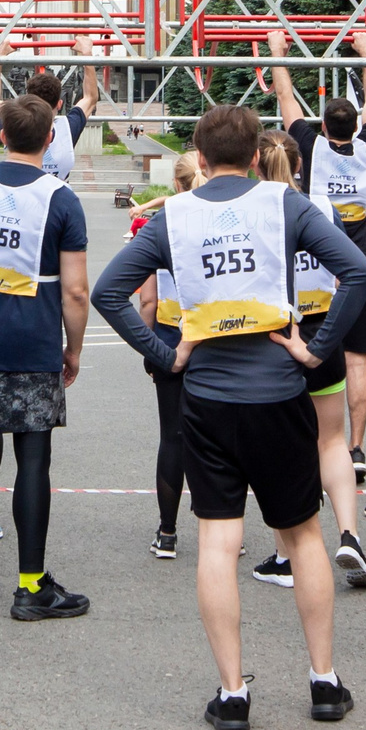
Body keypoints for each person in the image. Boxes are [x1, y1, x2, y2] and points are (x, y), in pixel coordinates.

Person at [91, 104, 366, 730]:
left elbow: (109, 293)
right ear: (255, 154)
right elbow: (357, 270)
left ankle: (232, 692)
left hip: (209, 397)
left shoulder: (175, 214)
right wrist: (318, 347)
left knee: (219, 541)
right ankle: (324, 682)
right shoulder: (284, 204)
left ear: (197, 150)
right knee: (302, 536)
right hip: (278, 392)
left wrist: (168, 356)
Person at [0, 92, 92, 618]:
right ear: (50, 139)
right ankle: (31, 585)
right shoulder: (60, 198)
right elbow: (75, 291)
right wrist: (73, 348)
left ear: (0, 136)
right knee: (33, 456)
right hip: (31, 340)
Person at [245, 130, 366, 591]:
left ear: (255, 162)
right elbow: (350, 272)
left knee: (281, 449)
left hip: (277, 336)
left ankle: (287, 553)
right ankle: (349, 534)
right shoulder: (321, 208)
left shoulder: (255, 210)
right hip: (322, 332)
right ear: (300, 166)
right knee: (332, 441)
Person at [265, 28, 366, 483]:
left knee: (298, 349)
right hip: (355, 266)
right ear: (355, 126)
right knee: (355, 360)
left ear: (322, 123)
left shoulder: (310, 148)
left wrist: (279, 51)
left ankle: (311, 440)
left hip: (315, 269)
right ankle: (353, 447)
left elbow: (284, 99)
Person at [129, 151, 201, 559]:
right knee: (217, 436)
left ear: (176, 184)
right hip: (216, 334)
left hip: (172, 335)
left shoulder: (165, 223)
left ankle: (167, 532)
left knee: (171, 434)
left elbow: (147, 298)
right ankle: (226, 522)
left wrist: (150, 345)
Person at [0, 35, 101, 182]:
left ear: (28, 97)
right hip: (55, 201)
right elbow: (90, 98)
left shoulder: (14, 121)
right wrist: (87, 54)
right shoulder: (67, 129)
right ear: (59, 104)